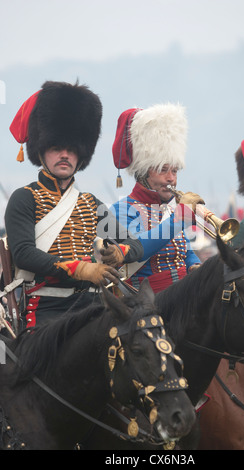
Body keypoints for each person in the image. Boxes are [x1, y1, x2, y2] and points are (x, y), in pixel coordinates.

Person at [3, 81, 144, 328]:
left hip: (92, 307)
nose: (65, 155)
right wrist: (81, 270)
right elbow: (24, 254)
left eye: (71, 149)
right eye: (57, 148)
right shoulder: (24, 198)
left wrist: (119, 253)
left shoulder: (89, 203)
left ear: (81, 155)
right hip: (47, 308)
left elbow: (134, 244)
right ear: (42, 151)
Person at [108, 104, 203, 293]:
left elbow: (185, 251)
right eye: (163, 170)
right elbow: (137, 249)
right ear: (144, 172)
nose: (171, 178)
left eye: (174, 171)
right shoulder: (120, 209)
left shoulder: (168, 208)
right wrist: (179, 219)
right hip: (146, 303)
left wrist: (195, 265)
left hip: (183, 294)